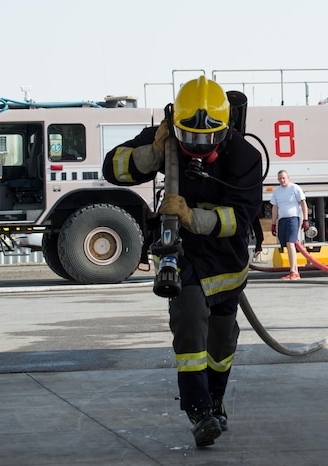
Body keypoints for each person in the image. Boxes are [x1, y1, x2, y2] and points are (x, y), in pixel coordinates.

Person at [102, 76, 262, 448]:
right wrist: (151, 154)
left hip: (226, 259)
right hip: (183, 254)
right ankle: (199, 411)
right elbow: (113, 168)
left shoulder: (245, 156)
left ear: (225, 128)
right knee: (190, 325)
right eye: (189, 137)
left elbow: (241, 217)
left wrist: (193, 217)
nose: (197, 146)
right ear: (178, 124)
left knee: (221, 344)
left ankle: (216, 401)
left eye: (207, 140)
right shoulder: (168, 137)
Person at [270, 169, 309, 280]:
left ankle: (292, 271)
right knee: (287, 245)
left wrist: (305, 219)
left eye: (283, 178)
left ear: (288, 177)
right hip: (282, 220)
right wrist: (273, 224)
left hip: (293, 219)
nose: (282, 180)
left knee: (290, 243)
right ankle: (295, 271)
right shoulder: (277, 191)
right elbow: (275, 208)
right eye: (280, 178)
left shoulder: (294, 188)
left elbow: (303, 203)